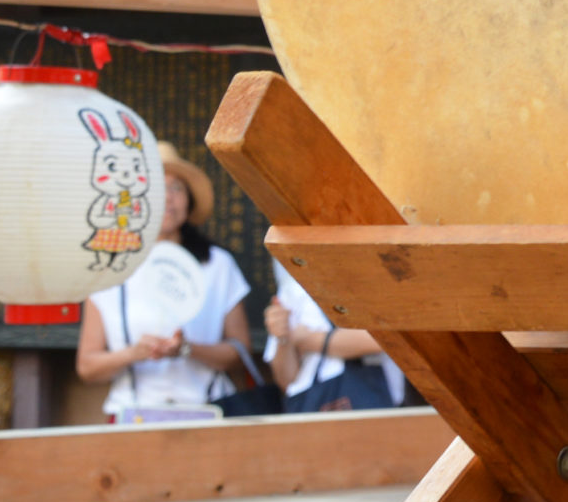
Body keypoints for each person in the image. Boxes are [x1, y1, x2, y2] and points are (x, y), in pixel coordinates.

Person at [77, 143, 252, 419]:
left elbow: (240, 353)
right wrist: (134, 353)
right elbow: (87, 367)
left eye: (176, 188)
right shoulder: (110, 267)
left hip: (208, 413)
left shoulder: (217, 264)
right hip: (133, 417)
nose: (167, 198)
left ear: (189, 200)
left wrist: (188, 349)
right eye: (155, 187)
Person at [262, 266, 406, 410]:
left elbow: (387, 338)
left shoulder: (377, 275)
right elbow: (286, 381)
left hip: (378, 403)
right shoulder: (293, 286)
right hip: (312, 407)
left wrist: (311, 340)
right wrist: (283, 338)